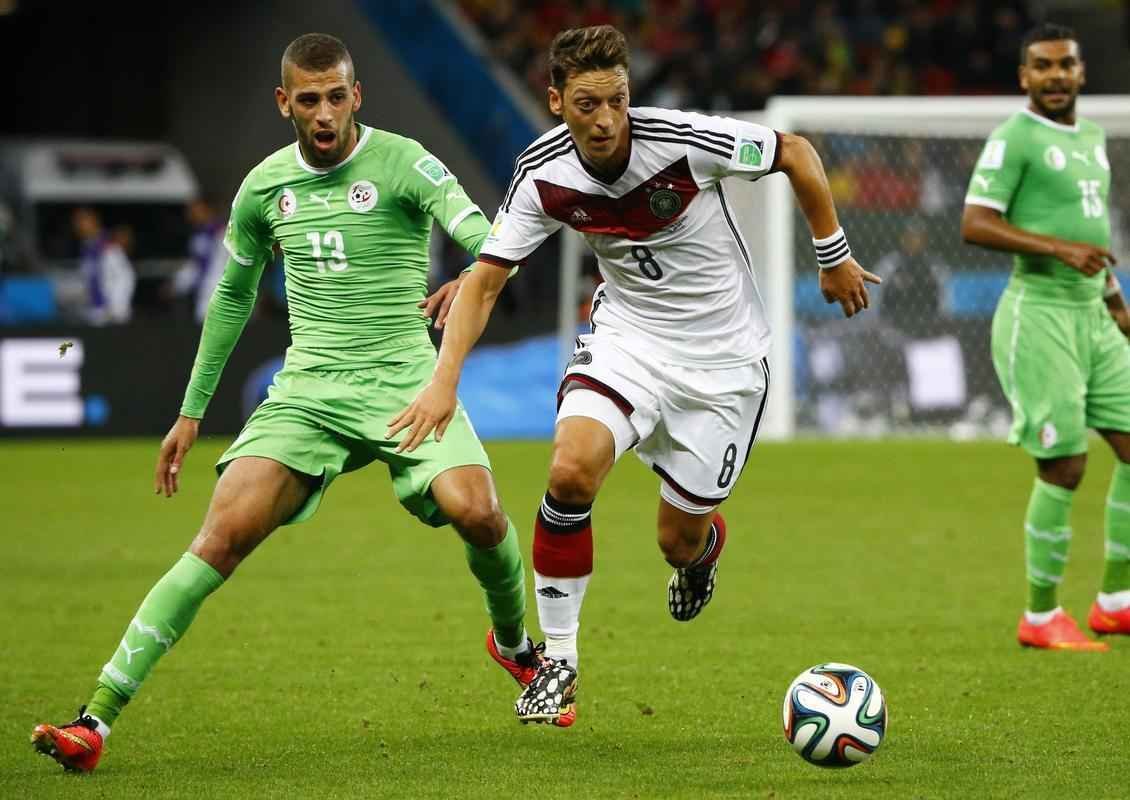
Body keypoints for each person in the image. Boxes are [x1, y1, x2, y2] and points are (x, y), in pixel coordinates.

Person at [31, 33, 538, 773]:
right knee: (218, 539)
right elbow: (233, 296)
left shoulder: (405, 162)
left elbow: (485, 236)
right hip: (308, 395)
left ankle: (517, 645)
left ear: (356, 94)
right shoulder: (265, 187)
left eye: (337, 96)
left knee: (480, 512)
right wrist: (190, 411)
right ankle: (95, 721)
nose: (325, 112)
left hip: (404, 381)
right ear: (284, 104)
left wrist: (475, 272)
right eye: (309, 100)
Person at [390, 24, 879, 726]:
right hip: (630, 343)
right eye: (587, 104)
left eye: (617, 100)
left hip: (724, 363)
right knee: (570, 471)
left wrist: (832, 255)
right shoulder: (543, 174)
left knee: (676, 538)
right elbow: (487, 281)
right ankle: (558, 660)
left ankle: (701, 556)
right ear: (557, 100)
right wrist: (444, 380)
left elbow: (795, 152)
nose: (606, 119)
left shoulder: (681, 138)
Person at [962, 23, 1130, 651]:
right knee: (1064, 464)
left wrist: (1115, 299)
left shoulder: (1090, 136)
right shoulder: (1014, 139)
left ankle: (1115, 601)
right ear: (1024, 77)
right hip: (1039, 315)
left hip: (1093, 312)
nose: (1056, 75)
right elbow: (975, 223)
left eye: (1066, 65)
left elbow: (1091, 225)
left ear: (1082, 73)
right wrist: (1059, 249)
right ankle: (1040, 615)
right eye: (1043, 66)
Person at [73, 206, 136, 325]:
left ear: (94, 220)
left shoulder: (107, 244)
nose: (79, 225)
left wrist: (118, 306)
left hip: (111, 314)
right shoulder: (86, 248)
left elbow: (125, 276)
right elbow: (89, 280)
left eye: (82, 220)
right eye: (76, 222)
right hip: (96, 312)